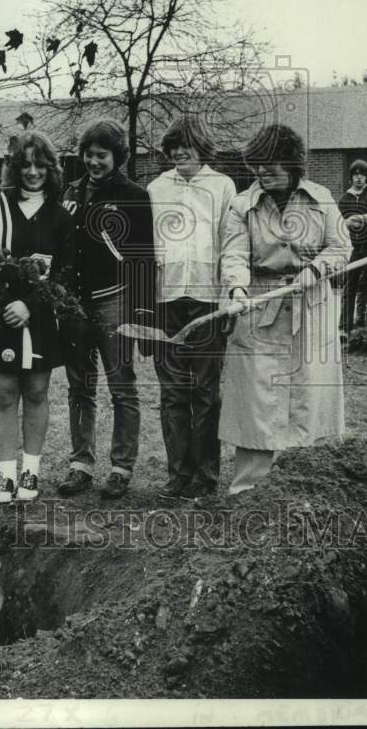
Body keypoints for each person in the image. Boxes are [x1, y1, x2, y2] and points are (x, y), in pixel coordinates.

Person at [216, 124, 351, 495]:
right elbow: (234, 253)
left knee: (309, 396)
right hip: (260, 308)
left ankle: (308, 487)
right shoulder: (242, 205)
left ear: (292, 164)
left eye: (271, 164)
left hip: (312, 305)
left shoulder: (320, 198)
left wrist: (316, 268)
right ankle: (249, 490)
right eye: (257, 165)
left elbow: (341, 247)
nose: (262, 172)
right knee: (257, 400)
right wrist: (238, 288)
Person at [0, 132, 76, 504]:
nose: (33, 172)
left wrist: (30, 304)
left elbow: (64, 274)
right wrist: (5, 304)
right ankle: (6, 477)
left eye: (40, 164)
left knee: (36, 391)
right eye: (25, 164)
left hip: (40, 315)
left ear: (51, 168)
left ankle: (31, 472)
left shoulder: (61, 216)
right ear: (13, 168)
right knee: (3, 394)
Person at [57, 119, 156, 500]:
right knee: (79, 386)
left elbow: (143, 258)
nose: (94, 161)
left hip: (114, 300)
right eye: (89, 154)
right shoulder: (70, 192)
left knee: (121, 385)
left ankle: (121, 467)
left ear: (118, 156)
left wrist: (144, 312)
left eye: (102, 155)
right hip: (73, 304)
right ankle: (81, 463)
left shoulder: (133, 195)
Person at [147, 116, 236, 501]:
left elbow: (231, 243)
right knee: (172, 393)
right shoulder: (155, 189)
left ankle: (205, 475)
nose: (181, 152)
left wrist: (229, 295)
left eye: (188, 145)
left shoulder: (223, 186)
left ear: (203, 146)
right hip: (166, 300)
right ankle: (178, 474)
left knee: (205, 391)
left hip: (207, 300)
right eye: (174, 147)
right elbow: (147, 250)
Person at [337, 159, 367, 338]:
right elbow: (338, 224)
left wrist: (363, 218)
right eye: (355, 175)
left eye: (362, 175)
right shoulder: (344, 199)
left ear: (366, 178)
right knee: (349, 286)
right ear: (351, 177)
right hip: (353, 248)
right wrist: (347, 223)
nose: (359, 178)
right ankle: (344, 328)